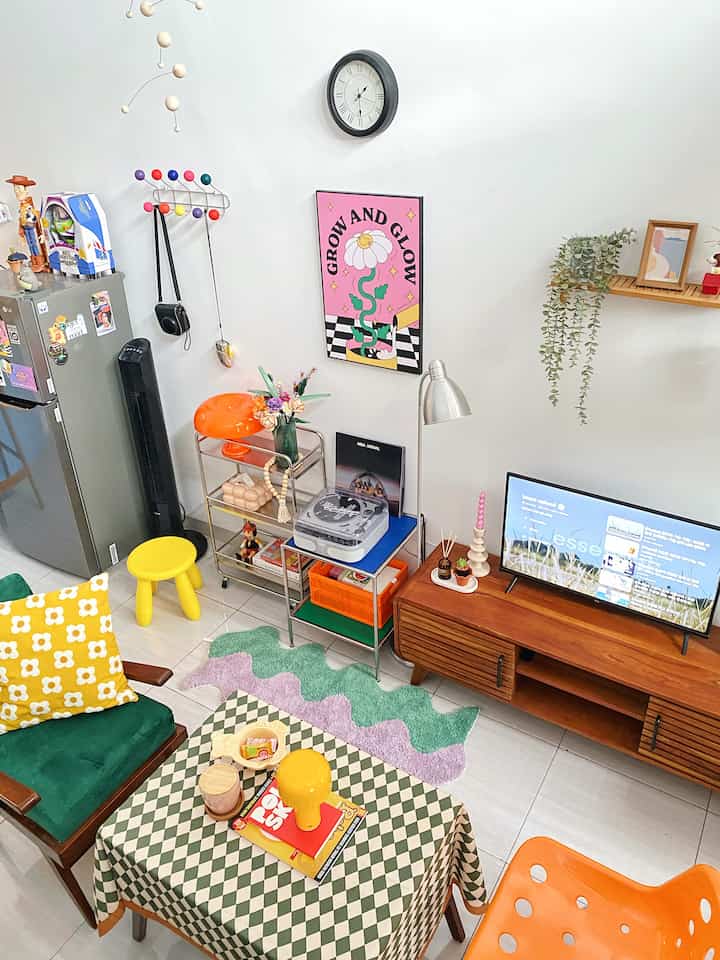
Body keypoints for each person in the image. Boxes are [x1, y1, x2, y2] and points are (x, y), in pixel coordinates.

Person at [5, 175, 48, 272]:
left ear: (26, 190)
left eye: (19, 189)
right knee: (31, 245)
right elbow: (21, 220)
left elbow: (38, 218)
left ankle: (40, 263)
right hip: (26, 229)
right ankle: (35, 262)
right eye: (15, 189)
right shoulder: (22, 207)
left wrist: (42, 234)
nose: (17, 192)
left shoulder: (29, 206)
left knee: (35, 245)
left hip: (33, 229)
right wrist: (21, 234)